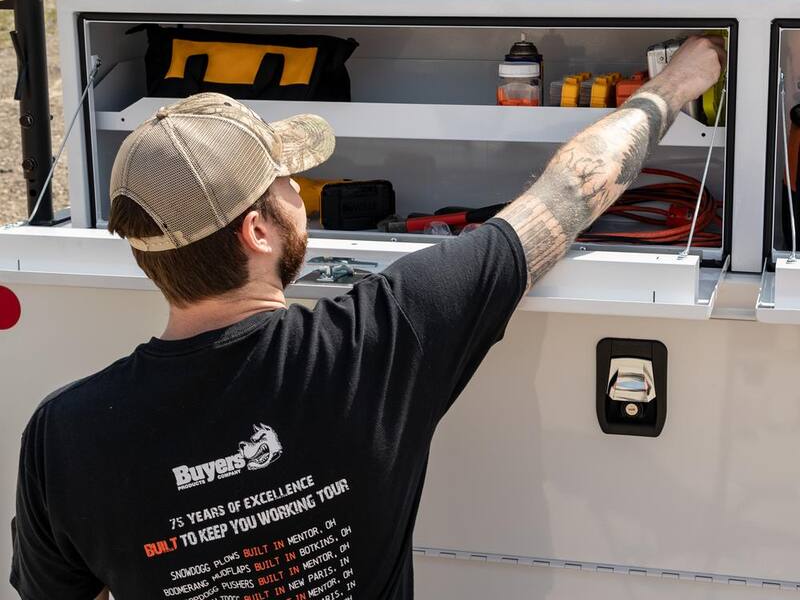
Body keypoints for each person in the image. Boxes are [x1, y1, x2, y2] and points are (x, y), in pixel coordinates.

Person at [10, 36, 724, 600]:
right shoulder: (379, 342)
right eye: (286, 182)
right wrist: (679, 80)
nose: (301, 190)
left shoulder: (63, 436)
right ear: (257, 232)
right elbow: (570, 194)